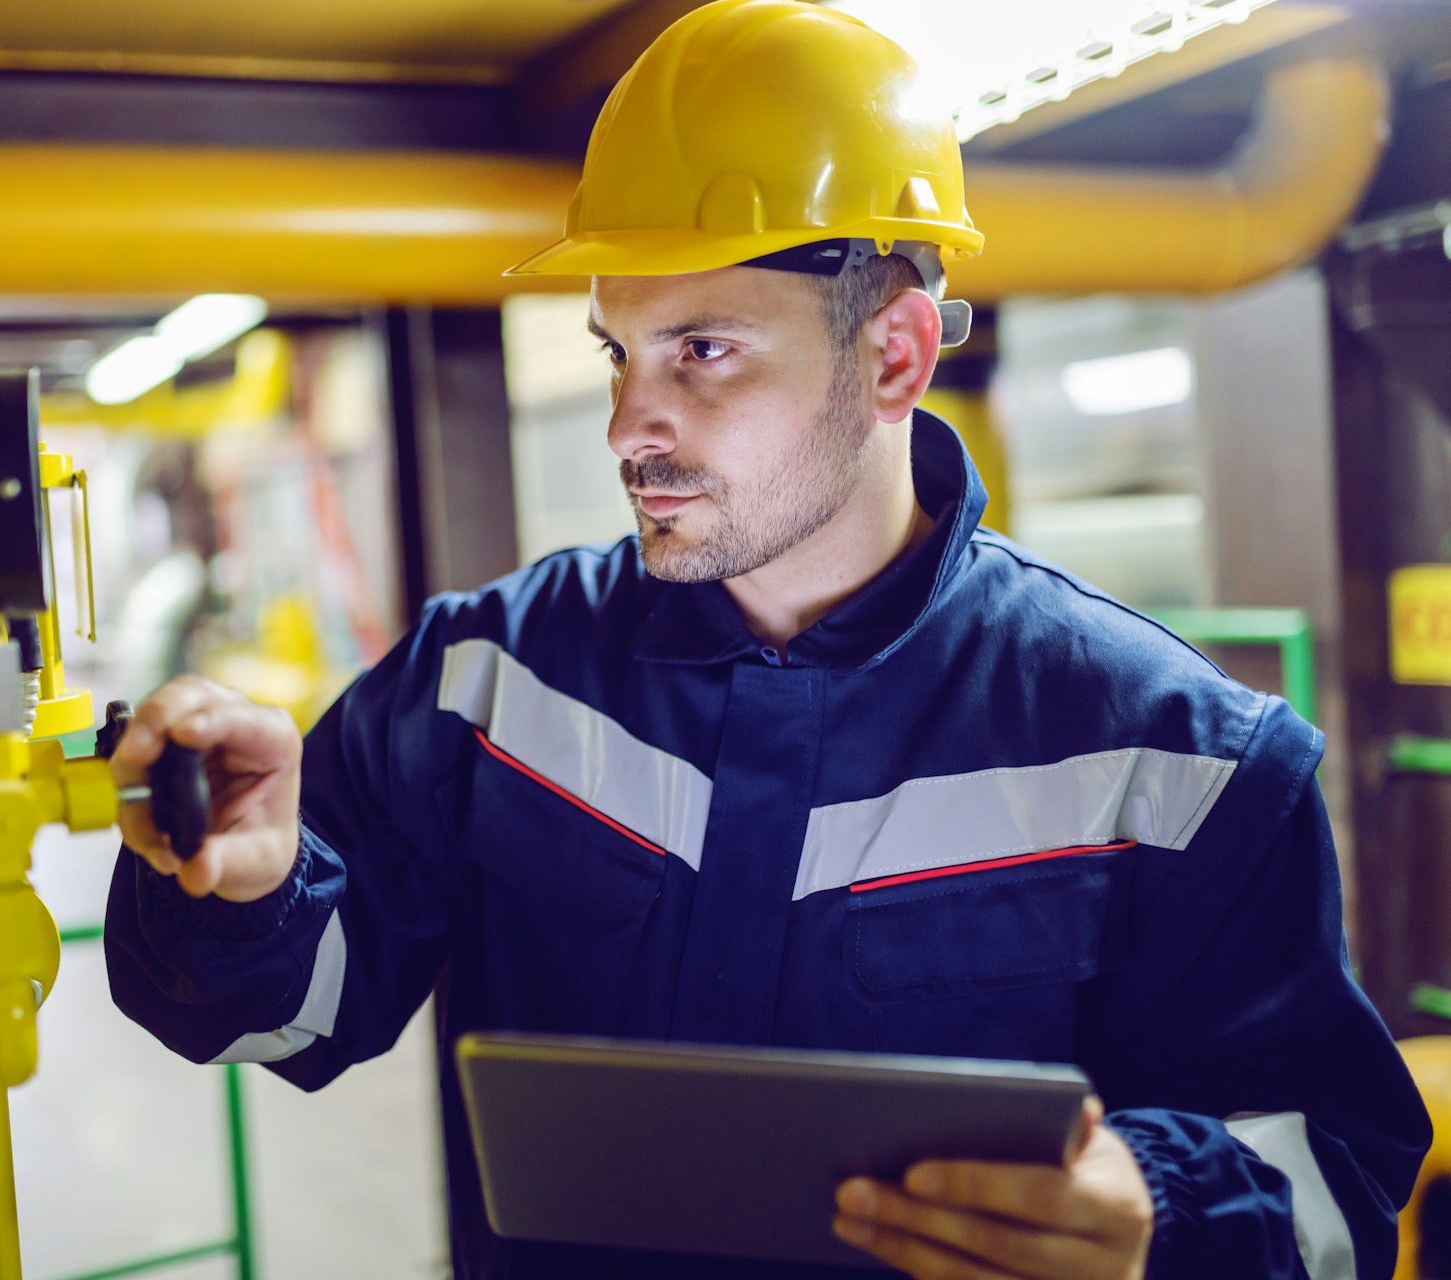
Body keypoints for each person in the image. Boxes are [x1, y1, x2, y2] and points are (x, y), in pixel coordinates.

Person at [103, 2, 1430, 1276]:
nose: (629, 424)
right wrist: (249, 888)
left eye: (703, 351)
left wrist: (1156, 1217)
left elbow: (1339, 1197)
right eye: (618, 351)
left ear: (896, 358)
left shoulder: (1178, 758)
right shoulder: (486, 680)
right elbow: (280, 1015)